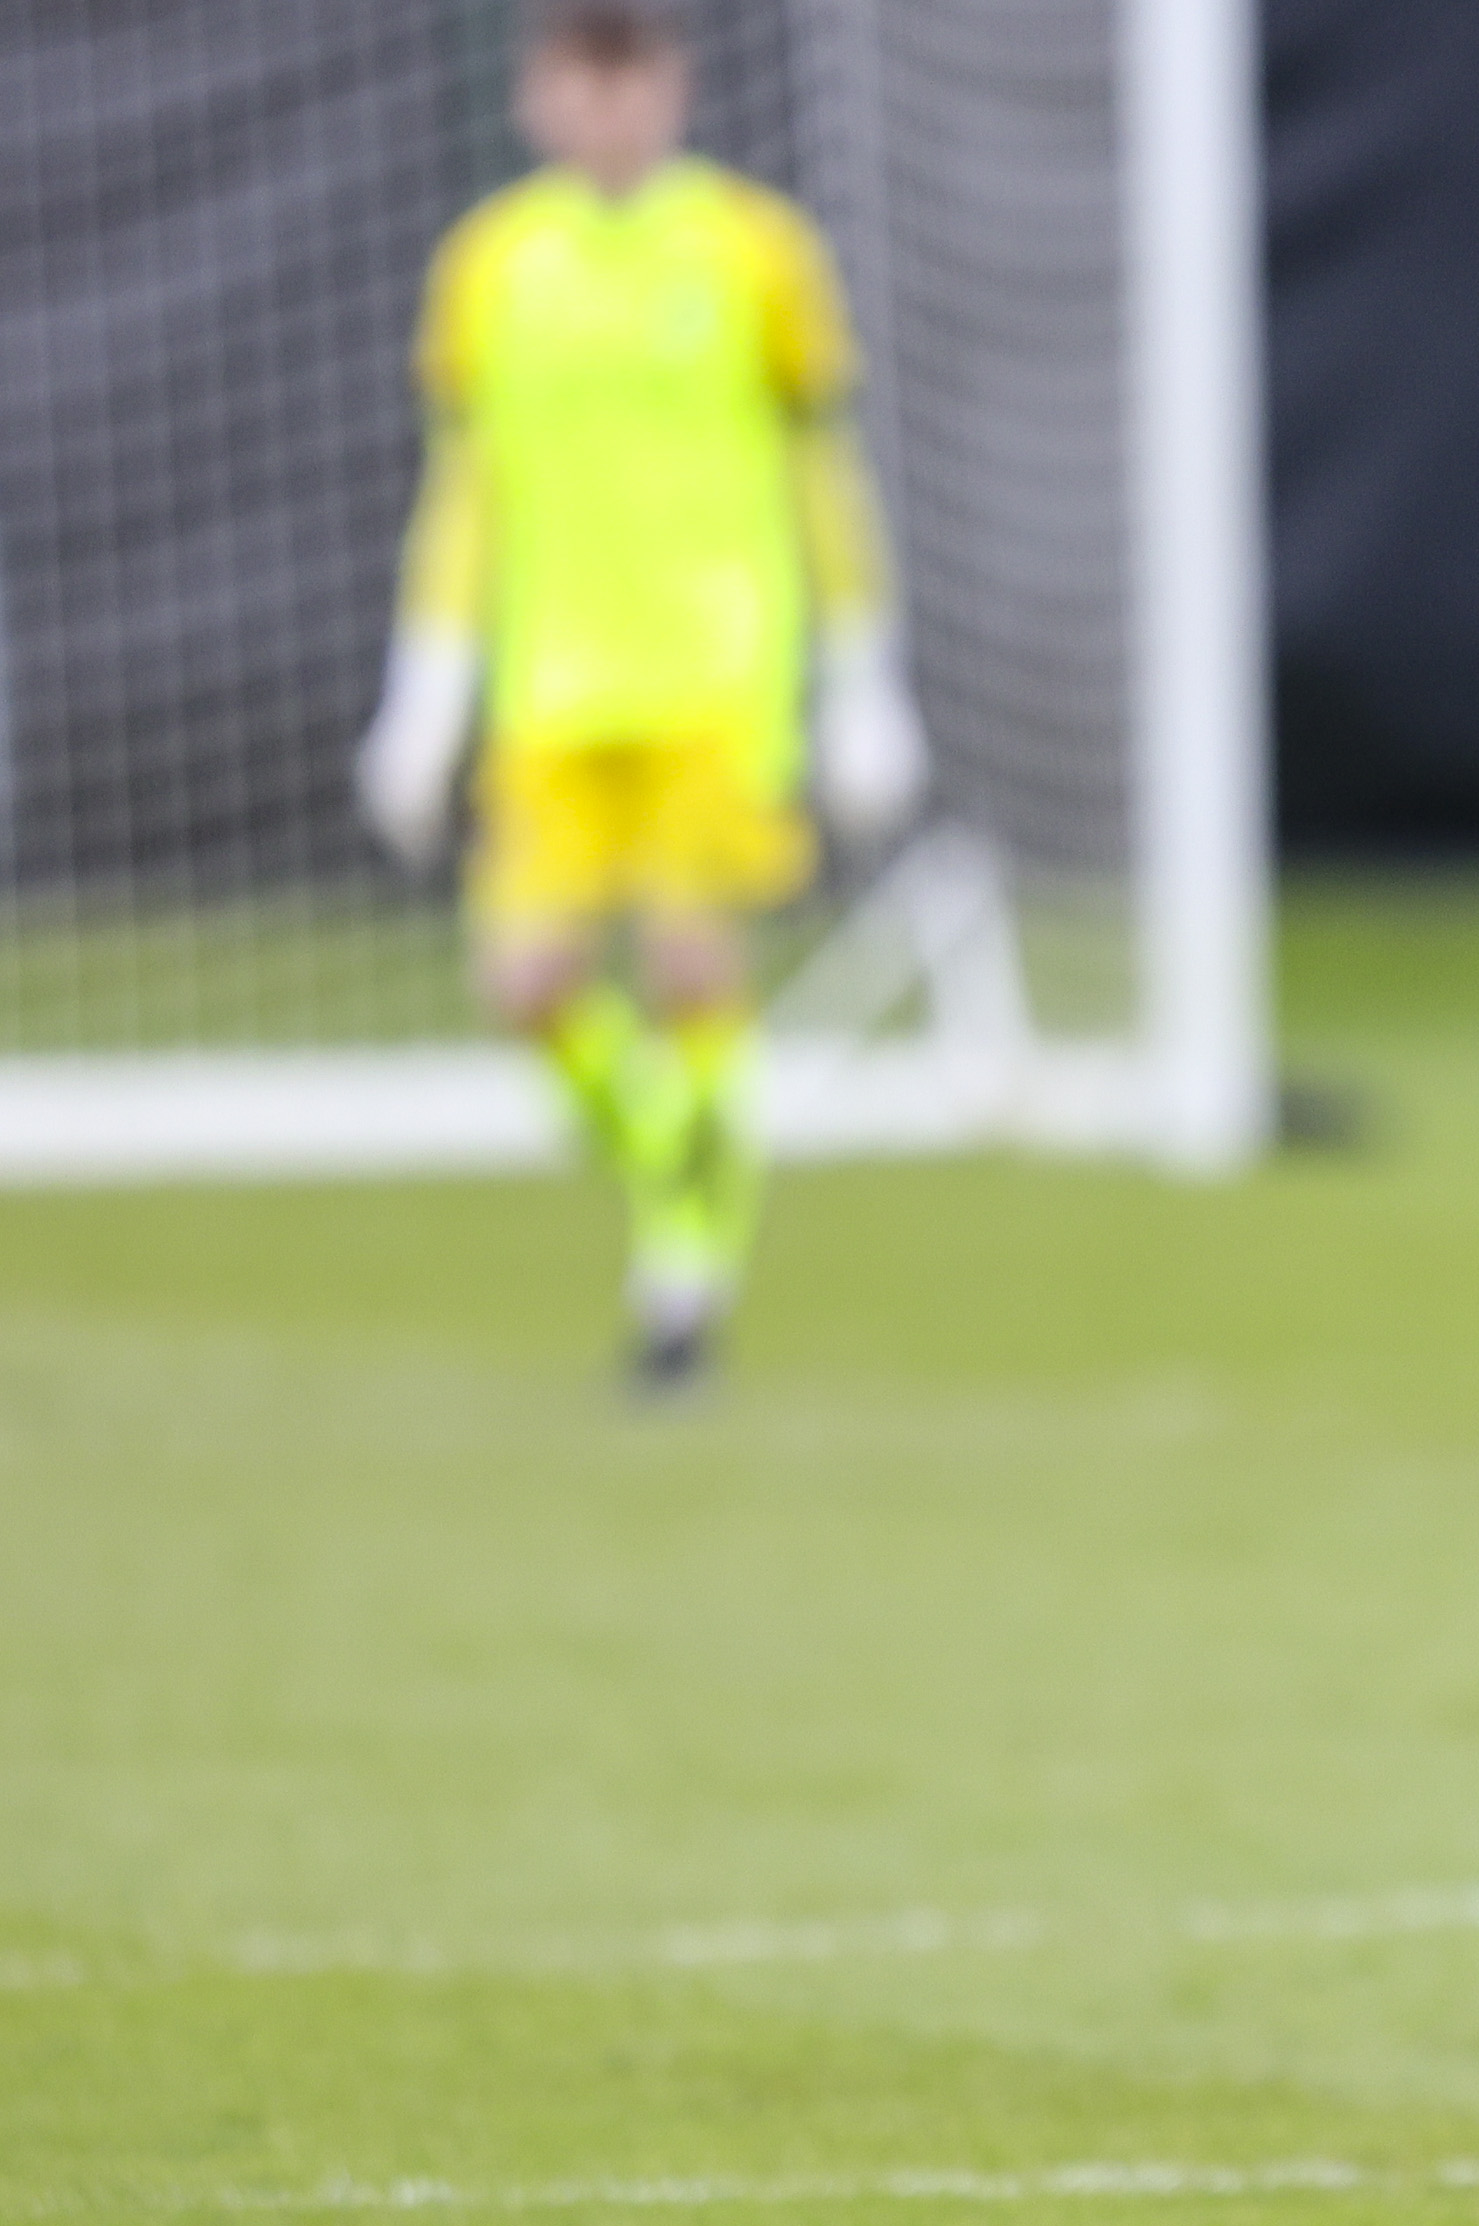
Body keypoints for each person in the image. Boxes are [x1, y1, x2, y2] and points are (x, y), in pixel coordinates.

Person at [357, 0, 924, 1388]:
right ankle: (683, 1154)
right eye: (579, 84)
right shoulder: (489, 264)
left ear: (673, 90)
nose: (607, 111)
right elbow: (466, 490)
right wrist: (426, 688)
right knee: (528, 987)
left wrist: (862, 676)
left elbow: (822, 472)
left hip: (715, 676)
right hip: (552, 683)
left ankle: (685, 1282)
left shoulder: (757, 252)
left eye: (632, 82)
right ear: (535, 96)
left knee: (689, 966)